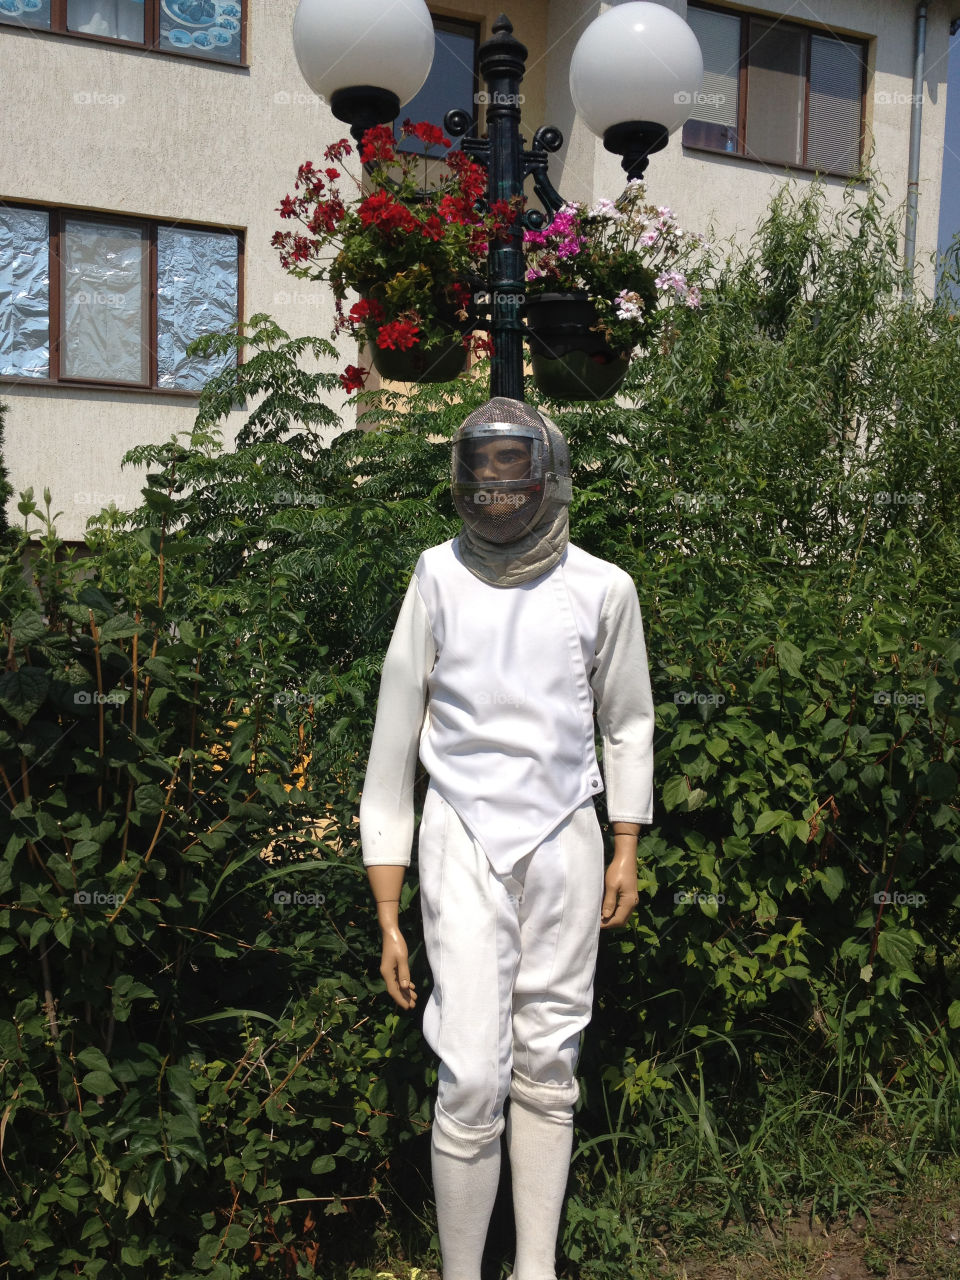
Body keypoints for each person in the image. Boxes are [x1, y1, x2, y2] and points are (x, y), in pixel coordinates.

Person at [359, 397, 655, 1280]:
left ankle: (534, 1270)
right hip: (461, 838)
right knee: (474, 1078)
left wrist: (626, 843)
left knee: (549, 1060)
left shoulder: (604, 588)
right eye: (481, 472)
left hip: (567, 831)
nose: (497, 492)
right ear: (463, 481)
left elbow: (628, 722)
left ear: (548, 477)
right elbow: (393, 740)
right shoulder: (435, 576)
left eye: (512, 471)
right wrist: (388, 909)